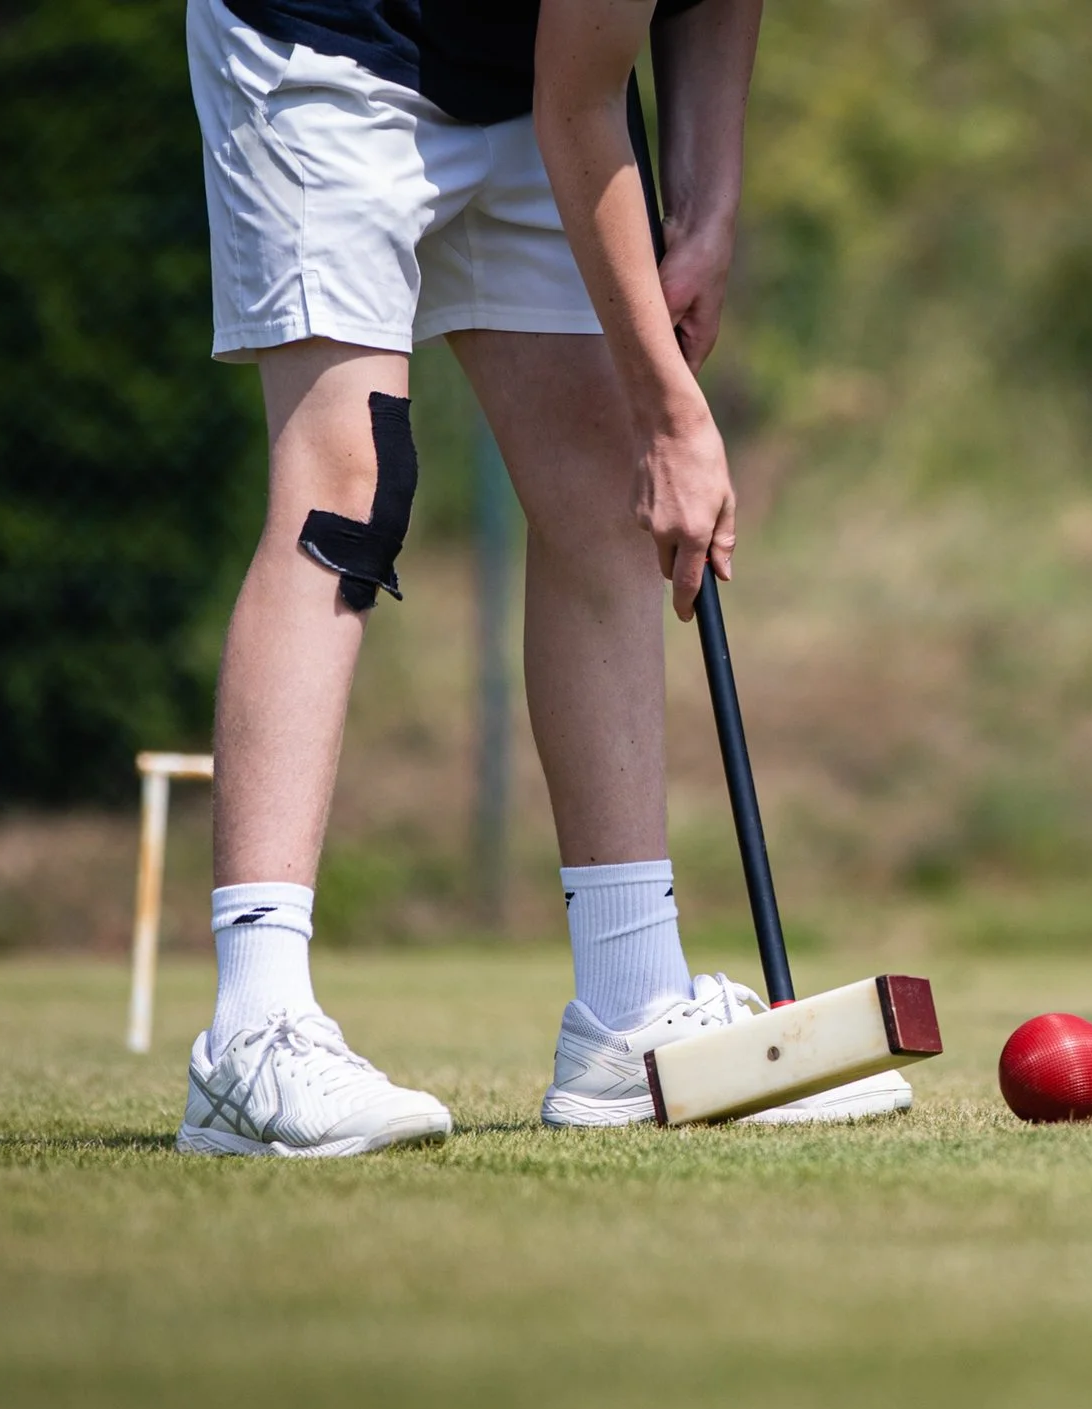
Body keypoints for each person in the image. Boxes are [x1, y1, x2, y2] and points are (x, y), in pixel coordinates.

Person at [179, 0, 909, 1156]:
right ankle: (253, 1030)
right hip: (329, 39)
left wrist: (710, 205)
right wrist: (674, 411)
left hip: (525, 72)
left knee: (600, 502)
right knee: (346, 484)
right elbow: (580, 103)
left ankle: (629, 1017)